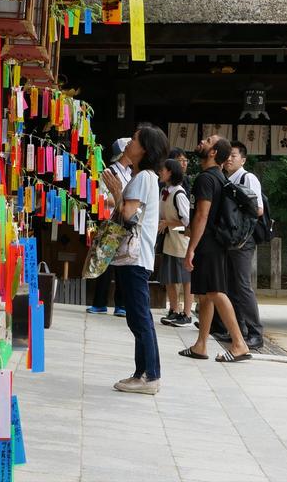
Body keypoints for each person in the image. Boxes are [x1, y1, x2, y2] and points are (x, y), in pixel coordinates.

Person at [101, 124, 169, 394]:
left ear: (145, 149)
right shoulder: (144, 177)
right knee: (137, 318)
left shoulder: (143, 178)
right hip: (137, 257)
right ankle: (142, 373)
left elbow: (127, 215)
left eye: (136, 139)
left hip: (135, 257)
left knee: (140, 319)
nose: (130, 142)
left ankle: (150, 376)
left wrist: (117, 191)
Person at [177, 135, 252, 363]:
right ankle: (200, 345)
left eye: (208, 140)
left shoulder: (206, 179)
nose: (202, 141)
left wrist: (191, 248)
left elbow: (202, 214)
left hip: (207, 242)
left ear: (212, 152)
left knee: (216, 292)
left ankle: (239, 344)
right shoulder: (219, 177)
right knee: (206, 293)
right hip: (215, 242)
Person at [207, 142, 265, 349]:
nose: (229, 159)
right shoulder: (225, 179)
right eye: (228, 156)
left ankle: (256, 333)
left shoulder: (247, 178)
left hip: (242, 239)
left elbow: (258, 209)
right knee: (230, 285)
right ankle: (238, 332)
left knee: (242, 285)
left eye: (234, 156)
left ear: (243, 159)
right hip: (228, 239)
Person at [88, 137, 131, 316]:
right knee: (104, 261)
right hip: (112, 219)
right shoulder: (109, 171)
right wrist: (124, 199)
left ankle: (121, 304)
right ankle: (100, 302)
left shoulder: (132, 172)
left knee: (123, 261)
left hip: (126, 219)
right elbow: (102, 197)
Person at [157, 159, 193, 326]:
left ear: (170, 172)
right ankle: (174, 310)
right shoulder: (165, 191)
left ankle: (186, 313)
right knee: (170, 277)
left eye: (162, 169)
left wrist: (168, 223)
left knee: (185, 278)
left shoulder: (179, 194)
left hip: (180, 241)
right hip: (169, 241)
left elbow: (188, 221)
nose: (160, 172)